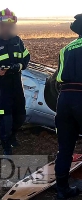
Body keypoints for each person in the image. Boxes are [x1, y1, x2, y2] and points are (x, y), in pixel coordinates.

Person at [0, 8, 30, 155]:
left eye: (10, 25)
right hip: (2, 88)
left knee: (20, 115)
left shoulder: (18, 41)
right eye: (5, 25)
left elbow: (26, 59)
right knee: (6, 117)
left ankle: (12, 136)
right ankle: (5, 145)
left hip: (17, 85)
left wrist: (19, 66)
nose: (7, 28)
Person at [55, 14, 82, 199]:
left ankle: (63, 191)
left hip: (64, 98)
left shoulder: (66, 49)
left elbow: (59, 78)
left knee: (65, 148)